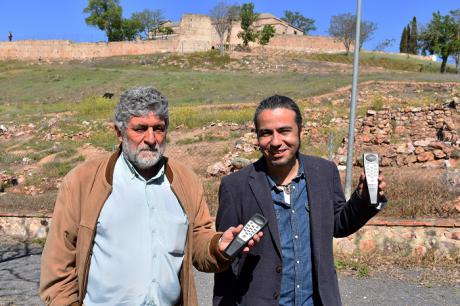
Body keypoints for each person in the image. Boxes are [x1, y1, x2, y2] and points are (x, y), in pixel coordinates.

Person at [39, 86, 262, 306]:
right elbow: (58, 266)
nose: (151, 138)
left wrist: (218, 246)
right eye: (140, 129)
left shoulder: (185, 181)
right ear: (119, 131)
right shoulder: (82, 182)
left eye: (158, 128)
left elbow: (198, 239)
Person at [213, 95, 387, 306]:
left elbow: (339, 224)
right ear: (257, 137)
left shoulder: (324, 172)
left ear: (299, 131)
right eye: (266, 133)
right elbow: (226, 263)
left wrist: (363, 198)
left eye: (284, 131)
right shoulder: (235, 186)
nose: (276, 142)